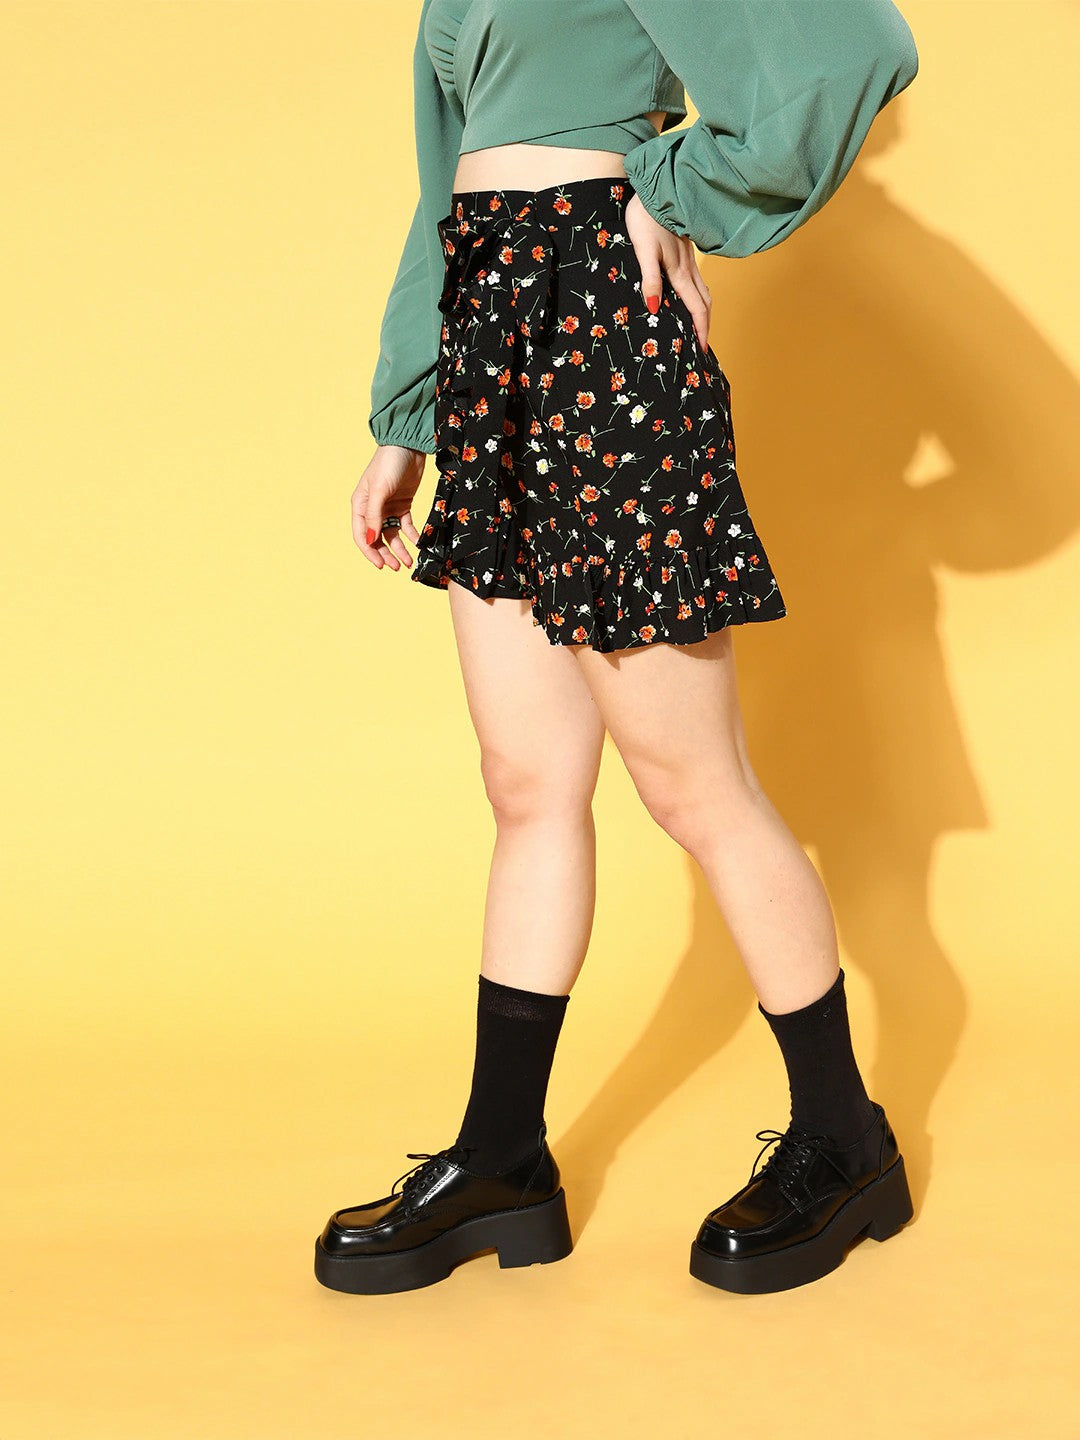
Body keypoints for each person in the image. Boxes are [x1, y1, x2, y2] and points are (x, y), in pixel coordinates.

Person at [318, 0, 920, 1298]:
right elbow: (441, 190)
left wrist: (671, 191)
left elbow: (856, 52)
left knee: (692, 785)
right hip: (488, 324)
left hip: (600, 312)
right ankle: (501, 1158)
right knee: (526, 782)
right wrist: (407, 420)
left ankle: (845, 1139)